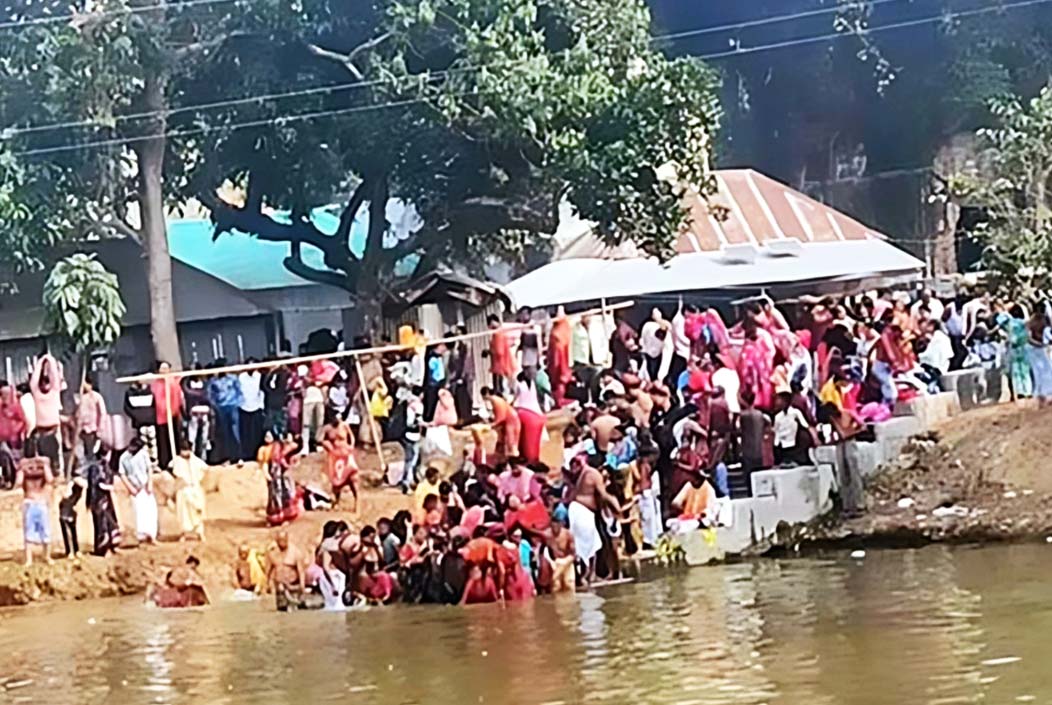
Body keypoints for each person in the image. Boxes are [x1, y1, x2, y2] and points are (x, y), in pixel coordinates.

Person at [16, 439, 54, 565]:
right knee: (33, 532)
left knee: (42, 531)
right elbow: (49, 480)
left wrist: (43, 466)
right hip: (33, 501)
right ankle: (35, 558)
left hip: (36, 501)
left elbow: (49, 480)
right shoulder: (30, 464)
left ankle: (42, 557)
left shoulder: (40, 464)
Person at [119, 437, 158, 544]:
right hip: (135, 488)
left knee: (151, 511)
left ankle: (152, 536)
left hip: (145, 486)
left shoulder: (143, 454)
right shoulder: (124, 458)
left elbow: (149, 469)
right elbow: (122, 474)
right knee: (139, 512)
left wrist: (150, 484)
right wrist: (130, 488)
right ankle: (142, 537)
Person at [258, 430, 301, 525]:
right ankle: (274, 518)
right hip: (273, 474)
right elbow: (265, 463)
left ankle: (285, 517)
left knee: (285, 493)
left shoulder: (280, 446)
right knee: (274, 496)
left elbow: (289, 453)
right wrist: (266, 473)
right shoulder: (264, 449)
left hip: (281, 475)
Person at [320, 409, 359, 511]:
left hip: (346, 453)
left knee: (353, 477)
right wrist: (327, 445)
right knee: (336, 479)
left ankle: (357, 501)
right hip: (335, 455)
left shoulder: (344, 425)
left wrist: (351, 446)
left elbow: (352, 436)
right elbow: (321, 439)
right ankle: (336, 501)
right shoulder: (328, 428)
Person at [86, 451, 121, 556]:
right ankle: (103, 550)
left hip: (106, 498)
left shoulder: (106, 466)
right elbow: (96, 485)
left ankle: (112, 547)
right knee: (102, 525)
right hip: (99, 499)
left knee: (110, 523)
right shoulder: (95, 468)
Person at [151, 361, 184, 471]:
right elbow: (158, 400)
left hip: (174, 414)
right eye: (162, 368)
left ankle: (177, 460)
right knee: (163, 440)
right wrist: (166, 410)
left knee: (175, 437)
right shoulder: (156, 384)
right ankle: (165, 463)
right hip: (162, 416)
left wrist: (175, 410)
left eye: (166, 368)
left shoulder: (173, 381)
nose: (165, 371)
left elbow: (178, 396)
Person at [172, 442, 207, 540]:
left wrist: (199, 479)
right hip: (183, 490)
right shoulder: (177, 461)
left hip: (195, 488)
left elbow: (204, 469)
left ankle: (200, 534)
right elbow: (175, 473)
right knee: (183, 514)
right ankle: (183, 534)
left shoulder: (196, 461)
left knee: (197, 512)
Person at [208, 366, 243, 463]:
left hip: (232, 407)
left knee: (235, 432)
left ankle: (238, 456)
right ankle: (226, 457)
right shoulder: (213, 381)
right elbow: (210, 395)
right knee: (224, 433)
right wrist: (216, 406)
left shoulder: (233, 378)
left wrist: (237, 404)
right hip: (221, 409)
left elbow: (239, 391)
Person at [772, 391, 816, 466]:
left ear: (786, 401)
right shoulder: (778, 417)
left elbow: (806, 425)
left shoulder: (795, 413)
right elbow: (776, 432)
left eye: (779, 400)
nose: (776, 402)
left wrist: (815, 438)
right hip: (783, 444)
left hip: (795, 442)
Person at [269, 529, 307, 611]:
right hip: (279, 588)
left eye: (283, 540)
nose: (282, 542)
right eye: (279, 540)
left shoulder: (295, 552)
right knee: (281, 611)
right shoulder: (273, 552)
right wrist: (267, 586)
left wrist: (302, 585)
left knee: (295, 611)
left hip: (292, 586)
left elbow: (301, 571)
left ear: (287, 539)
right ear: (276, 540)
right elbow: (269, 570)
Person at [482, 386, 521, 462]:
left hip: (511, 422)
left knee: (511, 444)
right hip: (508, 422)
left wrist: (490, 425)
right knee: (504, 444)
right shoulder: (495, 401)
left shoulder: (497, 401)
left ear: (486, 394)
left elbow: (501, 418)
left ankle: (514, 462)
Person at [513, 373, 545, 463]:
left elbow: (516, 398)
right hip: (537, 414)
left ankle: (527, 459)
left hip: (524, 413)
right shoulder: (532, 384)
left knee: (526, 440)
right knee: (535, 441)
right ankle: (535, 458)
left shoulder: (520, 386)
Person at [76, 376, 107, 460]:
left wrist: (100, 430)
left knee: (90, 452)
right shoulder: (79, 397)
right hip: (80, 429)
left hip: (92, 429)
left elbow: (102, 413)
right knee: (79, 452)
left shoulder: (96, 397)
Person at [238, 365, 265, 461]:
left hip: (256, 407)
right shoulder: (241, 377)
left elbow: (261, 392)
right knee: (245, 433)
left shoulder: (259, 376)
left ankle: (256, 454)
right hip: (244, 408)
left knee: (256, 433)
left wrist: (261, 406)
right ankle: (246, 455)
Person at [1027, 305, 1052, 405]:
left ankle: (1039, 395)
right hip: (1042, 349)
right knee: (1047, 371)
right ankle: (1047, 394)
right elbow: (1048, 338)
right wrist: (1043, 344)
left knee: (1037, 372)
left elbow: (1028, 338)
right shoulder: (1044, 323)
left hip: (1032, 350)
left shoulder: (1030, 323)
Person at [546, 518, 577, 594]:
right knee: (556, 586)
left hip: (567, 560)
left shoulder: (567, 534)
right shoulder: (547, 534)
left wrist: (566, 561)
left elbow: (573, 554)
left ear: (561, 525)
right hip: (554, 562)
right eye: (553, 526)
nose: (555, 528)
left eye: (557, 525)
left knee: (569, 584)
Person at [486, 314, 514, 394]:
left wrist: (490, 351)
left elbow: (499, 352)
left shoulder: (498, 334)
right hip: (500, 366)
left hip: (500, 366)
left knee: (500, 389)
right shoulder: (498, 333)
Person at [59, 479, 83, 559]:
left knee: (73, 527)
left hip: (73, 499)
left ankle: (76, 550)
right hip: (67, 501)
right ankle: (69, 551)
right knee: (66, 524)